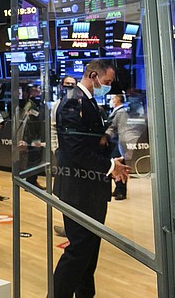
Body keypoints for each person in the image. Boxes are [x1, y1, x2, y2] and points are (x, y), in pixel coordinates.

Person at [53, 59, 130, 298]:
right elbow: (75, 150)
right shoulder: (72, 103)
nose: (108, 86)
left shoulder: (88, 101)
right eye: (106, 82)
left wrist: (110, 157)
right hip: (79, 188)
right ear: (94, 76)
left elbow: (90, 142)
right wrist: (110, 166)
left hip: (90, 187)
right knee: (79, 250)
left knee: (89, 250)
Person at [52, 75, 77, 237]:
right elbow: (53, 129)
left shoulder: (81, 103)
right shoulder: (57, 105)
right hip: (64, 156)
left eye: (72, 84)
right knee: (65, 194)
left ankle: (77, 228)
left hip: (79, 156)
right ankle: (69, 228)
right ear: (62, 86)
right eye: (67, 84)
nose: (70, 87)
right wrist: (56, 149)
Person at [102, 93, 130, 200]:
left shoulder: (122, 112)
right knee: (114, 167)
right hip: (113, 144)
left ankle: (121, 191)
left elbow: (122, 131)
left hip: (118, 145)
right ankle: (117, 189)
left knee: (120, 167)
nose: (111, 100)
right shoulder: (116, 112)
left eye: (113, 98)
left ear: (118, 99)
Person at [18, 84, 45, 189]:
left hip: (36, 135)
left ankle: (32, 181)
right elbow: (28, 121)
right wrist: (28, 139)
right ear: (32, 93)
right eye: (37, 91)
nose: (39, 93)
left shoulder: (35, 103)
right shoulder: (30, 104)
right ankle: (30, 182)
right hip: (32, 137)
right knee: (33, 159)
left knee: (36, 159)